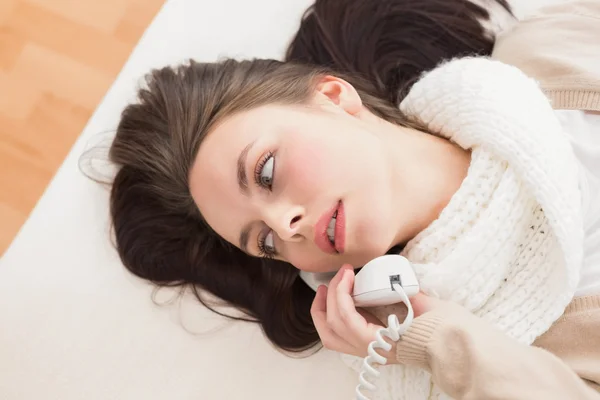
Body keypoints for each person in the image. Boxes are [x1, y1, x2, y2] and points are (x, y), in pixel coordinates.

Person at [106, 0, 600, 398]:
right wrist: (437, 342)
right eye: (266, 243)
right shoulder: (493, 354)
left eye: (267, 171)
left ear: (334, 98)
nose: (286, 225)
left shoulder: (552, 48)